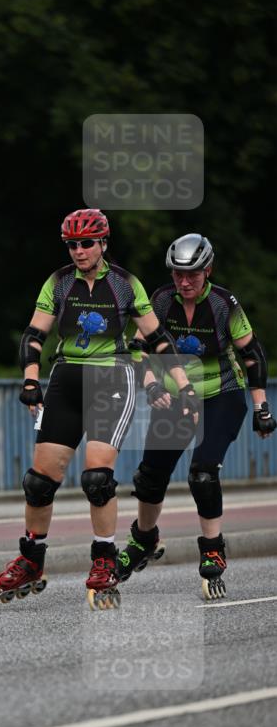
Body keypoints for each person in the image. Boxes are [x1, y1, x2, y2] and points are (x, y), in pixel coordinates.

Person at [0, 208, 199, 611]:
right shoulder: (59, 282)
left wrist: (184, 387)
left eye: (86, 243)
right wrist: (30, 379)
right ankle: (31, 560)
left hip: (112, 378)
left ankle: (104, 559)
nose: (78, 251)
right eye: (72, 244)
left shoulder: (124, 284)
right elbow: (33, 334)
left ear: (102, 243)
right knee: (38, 482)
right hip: (66, 377)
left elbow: (159, 339)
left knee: (97, 479)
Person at [117, 232, 276, 599]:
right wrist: (151, 385)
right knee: (149, 477)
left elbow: (252, 354)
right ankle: (144, 540)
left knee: (202, 474)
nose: (184, 282)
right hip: (176, 395)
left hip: (222, 393)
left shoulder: (224, 304)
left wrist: (261, 406)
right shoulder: (160, 300)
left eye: (192, 274)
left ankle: (213, 550)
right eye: (178, 274)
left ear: (208, 271)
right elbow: (137, 348)